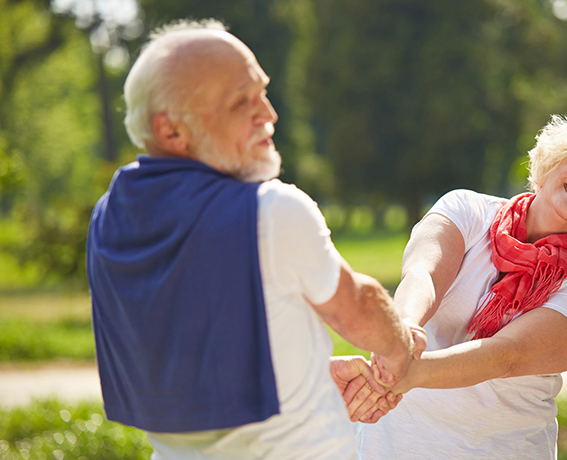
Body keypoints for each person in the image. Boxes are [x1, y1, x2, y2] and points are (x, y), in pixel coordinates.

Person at [86, 20, 418, 460]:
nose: (268, 114)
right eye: (241, 101)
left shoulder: (109, 217)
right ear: (171, 131)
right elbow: (358, 306)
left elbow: (191, 351)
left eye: (262, 91)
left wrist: (310, 374)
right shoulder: (270, 209)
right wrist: (401, 350)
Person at [334, 113, 567, 459]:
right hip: (393, 446)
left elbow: (507, 355)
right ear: (556, 157)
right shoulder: (465, 209)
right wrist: (402, 335)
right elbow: (423, 275)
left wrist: (405, 373)